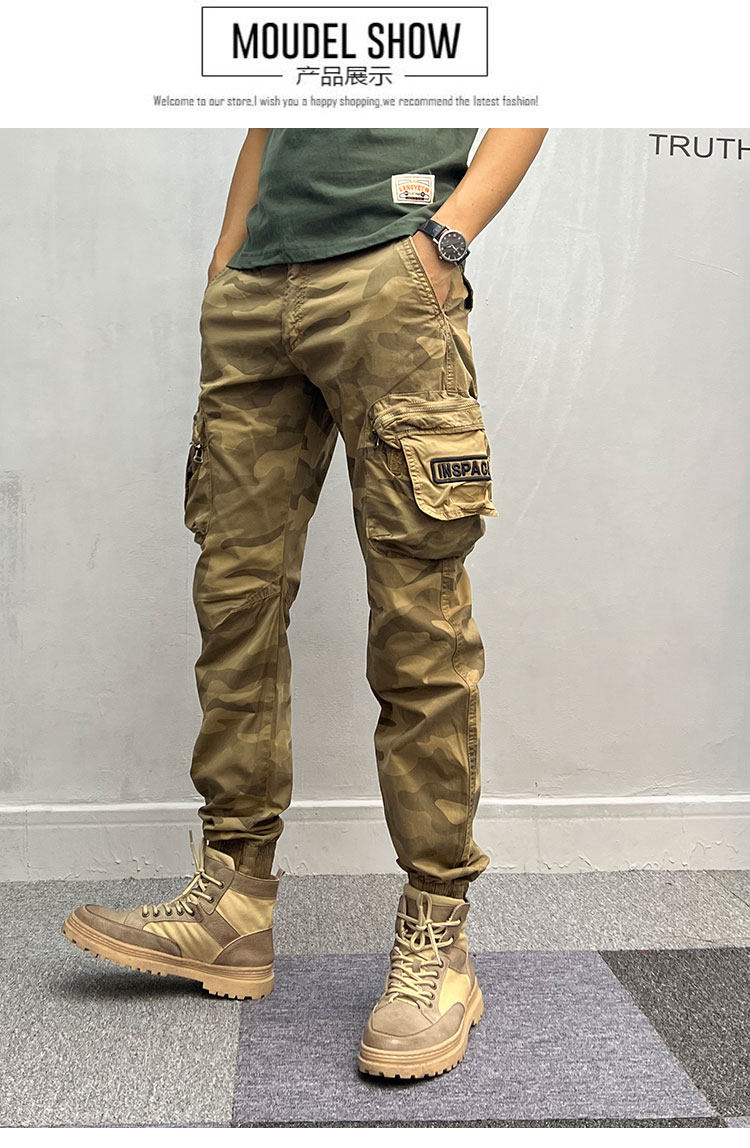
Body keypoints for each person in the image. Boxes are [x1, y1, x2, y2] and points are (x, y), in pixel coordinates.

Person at [63, 127, 548, 1080]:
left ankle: (438, 937)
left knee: (417, 624)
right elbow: (267, 117)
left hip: (390, 274)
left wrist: (443, 241)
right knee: (234, 604)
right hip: (257, 292)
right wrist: (226, 265)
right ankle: (232, 905)